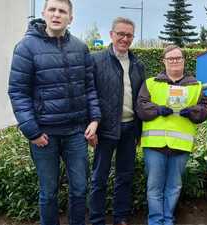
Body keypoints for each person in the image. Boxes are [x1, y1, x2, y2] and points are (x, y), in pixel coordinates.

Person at [7, 0, 101, 224]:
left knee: (79, 189)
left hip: (76, 133)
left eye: (62, 11)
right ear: (43, 13)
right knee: (48, 192)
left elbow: (90, 87)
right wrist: (32, 131)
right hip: (44, 135)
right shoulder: (26, 48)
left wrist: (95, 119)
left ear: (71, 17)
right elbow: (18, 92)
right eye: (52, 9)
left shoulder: (80, 48)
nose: (57, 14)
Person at [136, 45, 207, 225]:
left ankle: (168, 219)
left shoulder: (196, 85)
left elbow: (205, 110)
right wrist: (158, 110)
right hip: (155, 145)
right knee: (154, 187)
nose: (175, 61)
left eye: (178, 58)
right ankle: (155, 220)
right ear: (164, 61)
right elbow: (141, 107)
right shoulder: (151, 83)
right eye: (171, 58)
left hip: (180, 145)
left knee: (174, 187)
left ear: (184, 60)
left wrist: (193, 111)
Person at [88, 17, 146, 225]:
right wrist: (92, 125)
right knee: (99, 178)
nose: (124, 38)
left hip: (130, 129)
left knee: (125, 176)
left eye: (129, 35)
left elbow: (141, 99)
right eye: (120, 33)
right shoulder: (96, 60)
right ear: (111, 35)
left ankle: (120, 217)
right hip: (105, 129)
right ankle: (96, 219)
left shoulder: (138, 64)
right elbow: (90, 94)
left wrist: (140, 132)